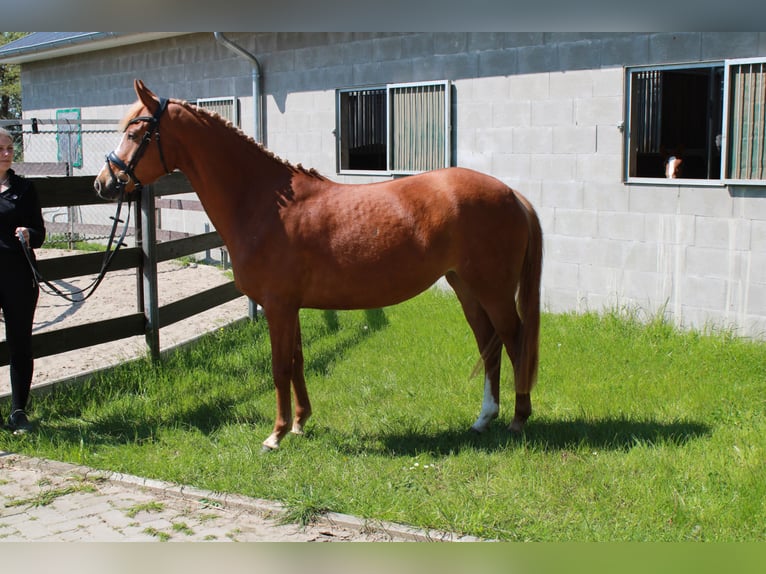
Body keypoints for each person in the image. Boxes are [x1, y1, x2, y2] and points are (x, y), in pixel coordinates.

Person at [0, 127, 45, 434]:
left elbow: (41, 233)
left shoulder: (24, 189)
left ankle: (18, 411)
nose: (6, 154)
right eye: (1, 149)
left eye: (10, 149)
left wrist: (29, 235)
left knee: (20, 343)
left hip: (17, 276)